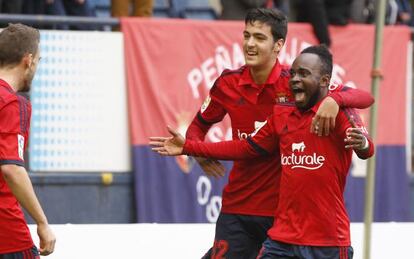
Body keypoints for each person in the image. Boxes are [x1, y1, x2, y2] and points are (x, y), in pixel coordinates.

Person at [163, 8, 373, 259]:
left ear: (278, 45)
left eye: (260, 38)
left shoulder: (295, 83)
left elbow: (362, 96)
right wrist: (195, 148)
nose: (250, 44)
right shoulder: (227, 83)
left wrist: (334, 100)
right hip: (238, 205)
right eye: (247, 35)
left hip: (281, 216)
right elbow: (204, 129)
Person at [0, 23, 56, 258]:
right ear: (28, 60)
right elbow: (11, 168)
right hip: (8, 236)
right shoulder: (13, 103)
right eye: (39, 60)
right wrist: (42, 222)